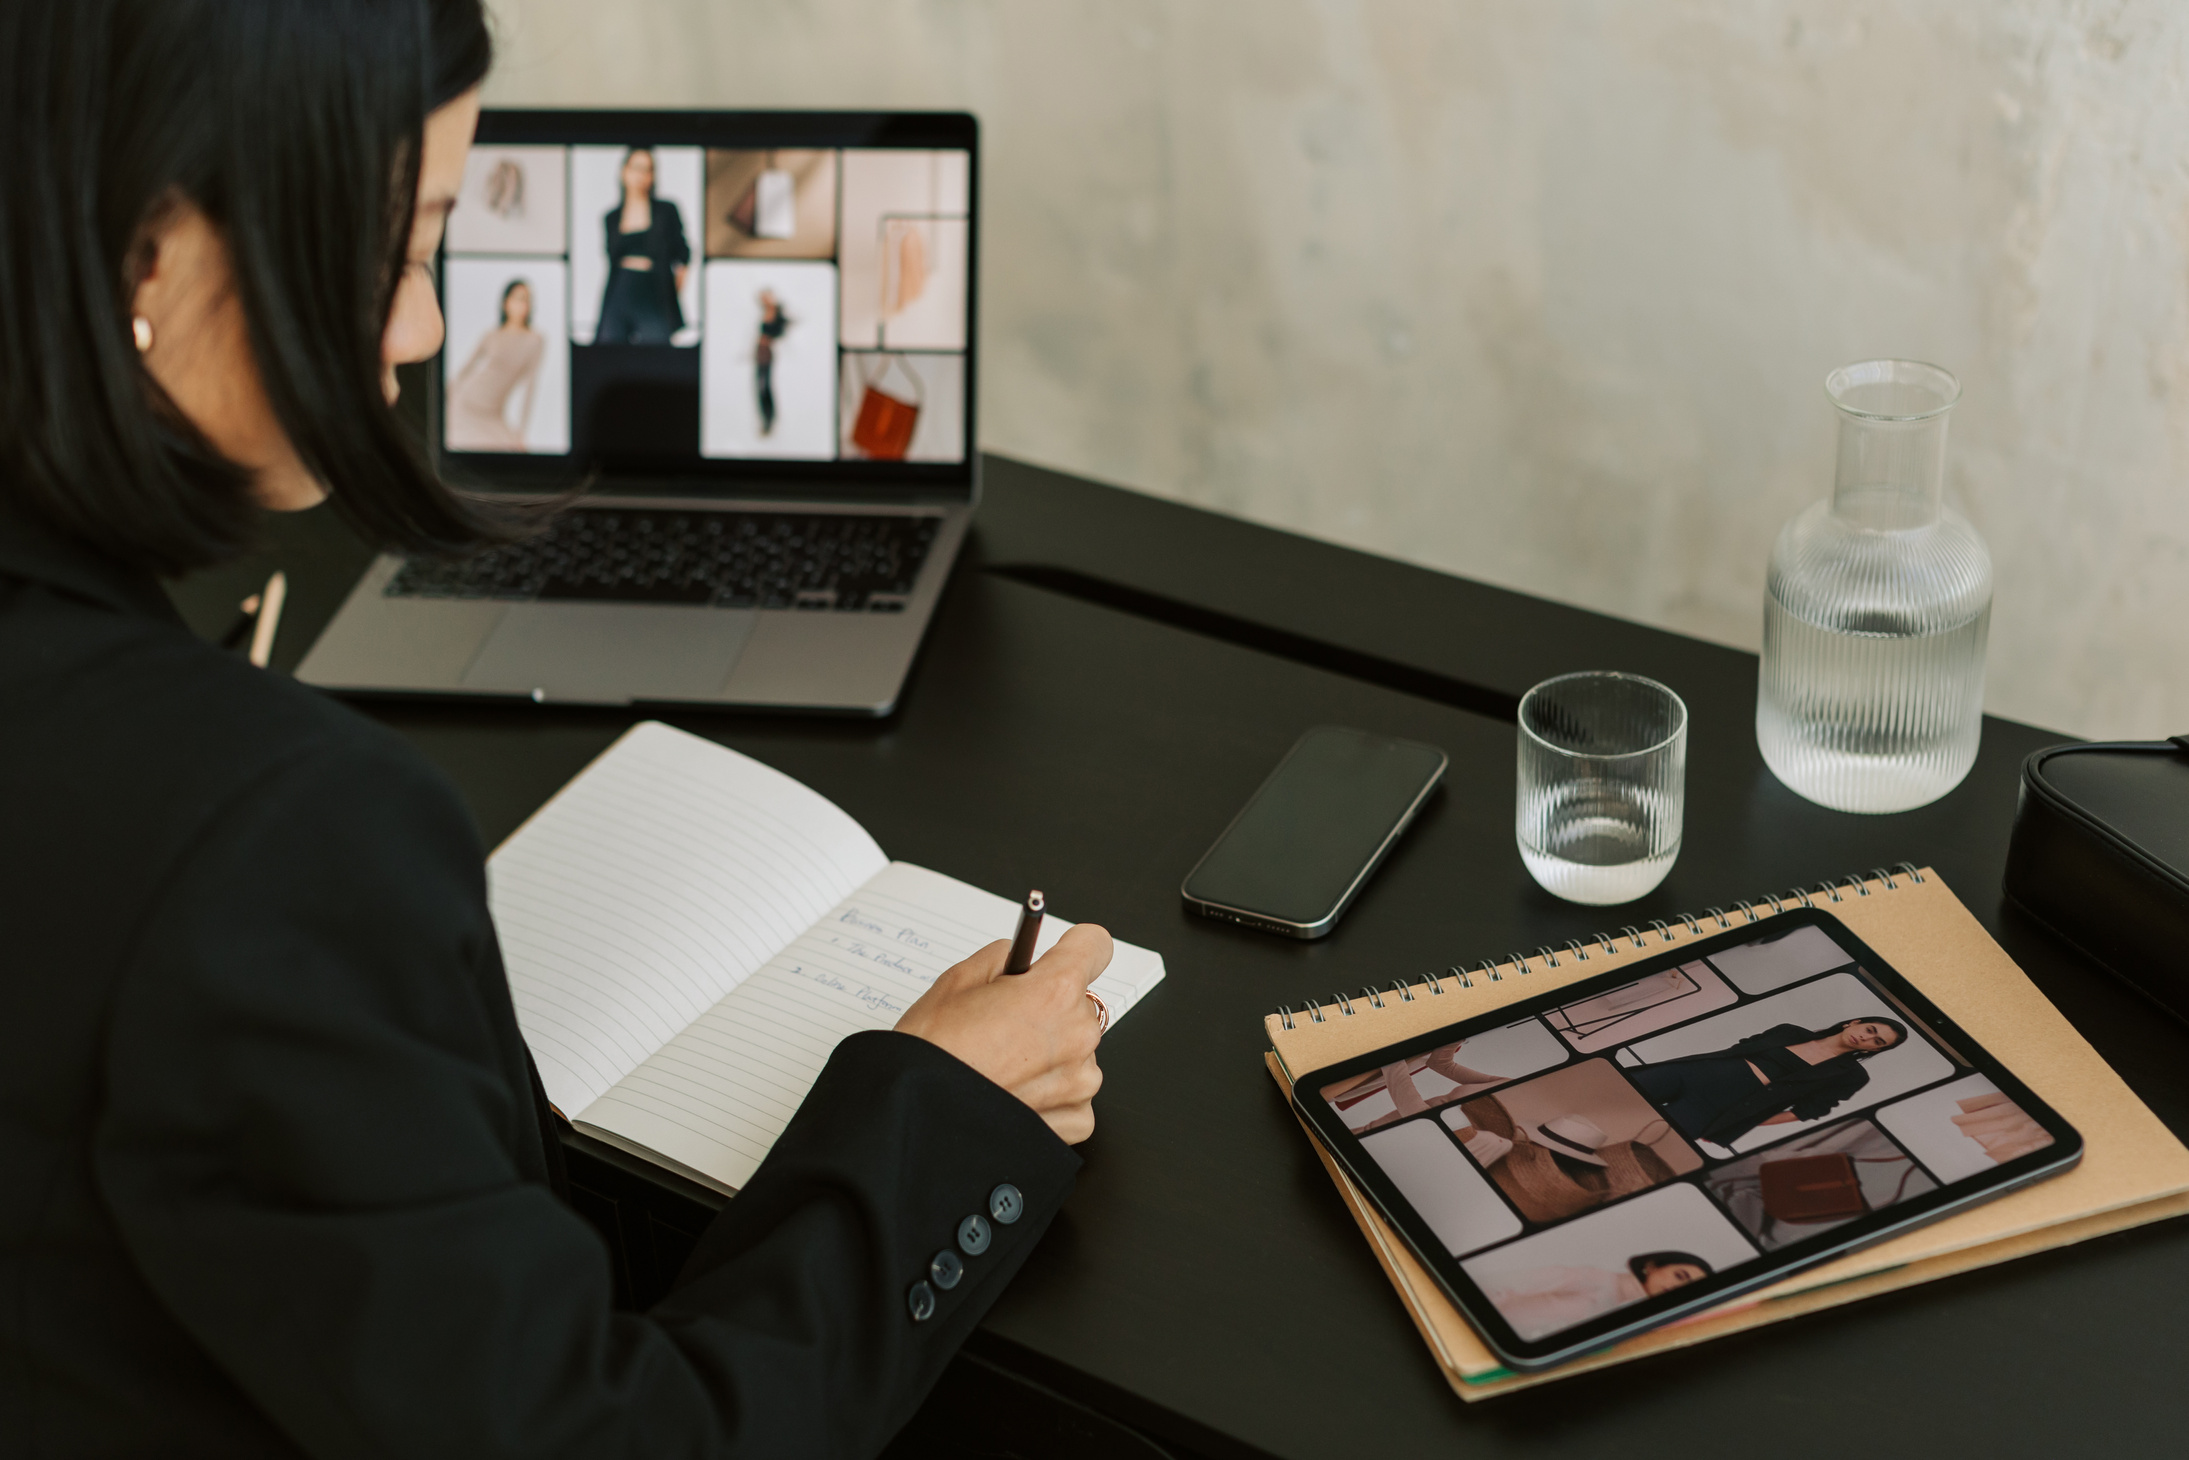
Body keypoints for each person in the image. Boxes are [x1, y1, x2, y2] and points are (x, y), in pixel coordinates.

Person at [0, 4, 1109, 1456]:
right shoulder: (271, 837)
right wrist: (945, 1113)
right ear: (150, 248)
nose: (424, 326)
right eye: (395, 248)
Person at [1627, 1017, 1909, 1148]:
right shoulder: (1791, 1029)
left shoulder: (1852, 1076)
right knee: (1616, 1094)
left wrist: (1744, 1120)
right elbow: (1744, 1046)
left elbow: (1807, 1111)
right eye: (1870, 1030)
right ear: (1854, 1023)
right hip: (1696, 1072)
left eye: (1877, 1041)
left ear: (1876, 1050)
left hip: (1717, 1107)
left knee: (1641, 1142)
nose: (1867, 1038)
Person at [1481, 1251, 1713, 1341]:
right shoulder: (1594, 1278)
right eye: (1680, 1275)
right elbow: (1502, 1284)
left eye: (1688, 1288)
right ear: (1652, 1266)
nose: (1677, 1287)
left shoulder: (1635, 1322)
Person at [596, 146, 691, 344]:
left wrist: (673, 291)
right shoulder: (611, 218)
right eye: (637, 168)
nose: (642, 175)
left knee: (657, 351)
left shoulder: (666, 211)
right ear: (624, 171)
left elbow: (683, 255)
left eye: (648, 169)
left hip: (653, 288)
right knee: (607, 348)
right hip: (620, 287)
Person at [1322, 1039, 1511, 1133]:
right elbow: (1441, 1064)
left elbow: (1417, 1114)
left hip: (1389, 1138)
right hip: (1373, 1127)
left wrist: (1391, 1058)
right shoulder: (1507, 1085)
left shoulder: (1497, 1120)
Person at [446, 278, 545, 451]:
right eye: (518, 298)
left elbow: (531, 386)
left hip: (493, 414)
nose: (522, 304)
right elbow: (466, 369)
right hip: (465, 403)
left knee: (512, 452)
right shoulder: (491, 335)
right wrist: (444, 396)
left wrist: (521, 431)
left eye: (526, 300)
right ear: (505, 302)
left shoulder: (535, 340)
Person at [754, 287, 790, 434]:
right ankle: (767, 417)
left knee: (764, 385)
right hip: (761, 352)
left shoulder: (774, 312)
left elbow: (774, 332)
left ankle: (768, 417)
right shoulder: (770, 311)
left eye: (765, 297)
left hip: (765, 352)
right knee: (761, 386)